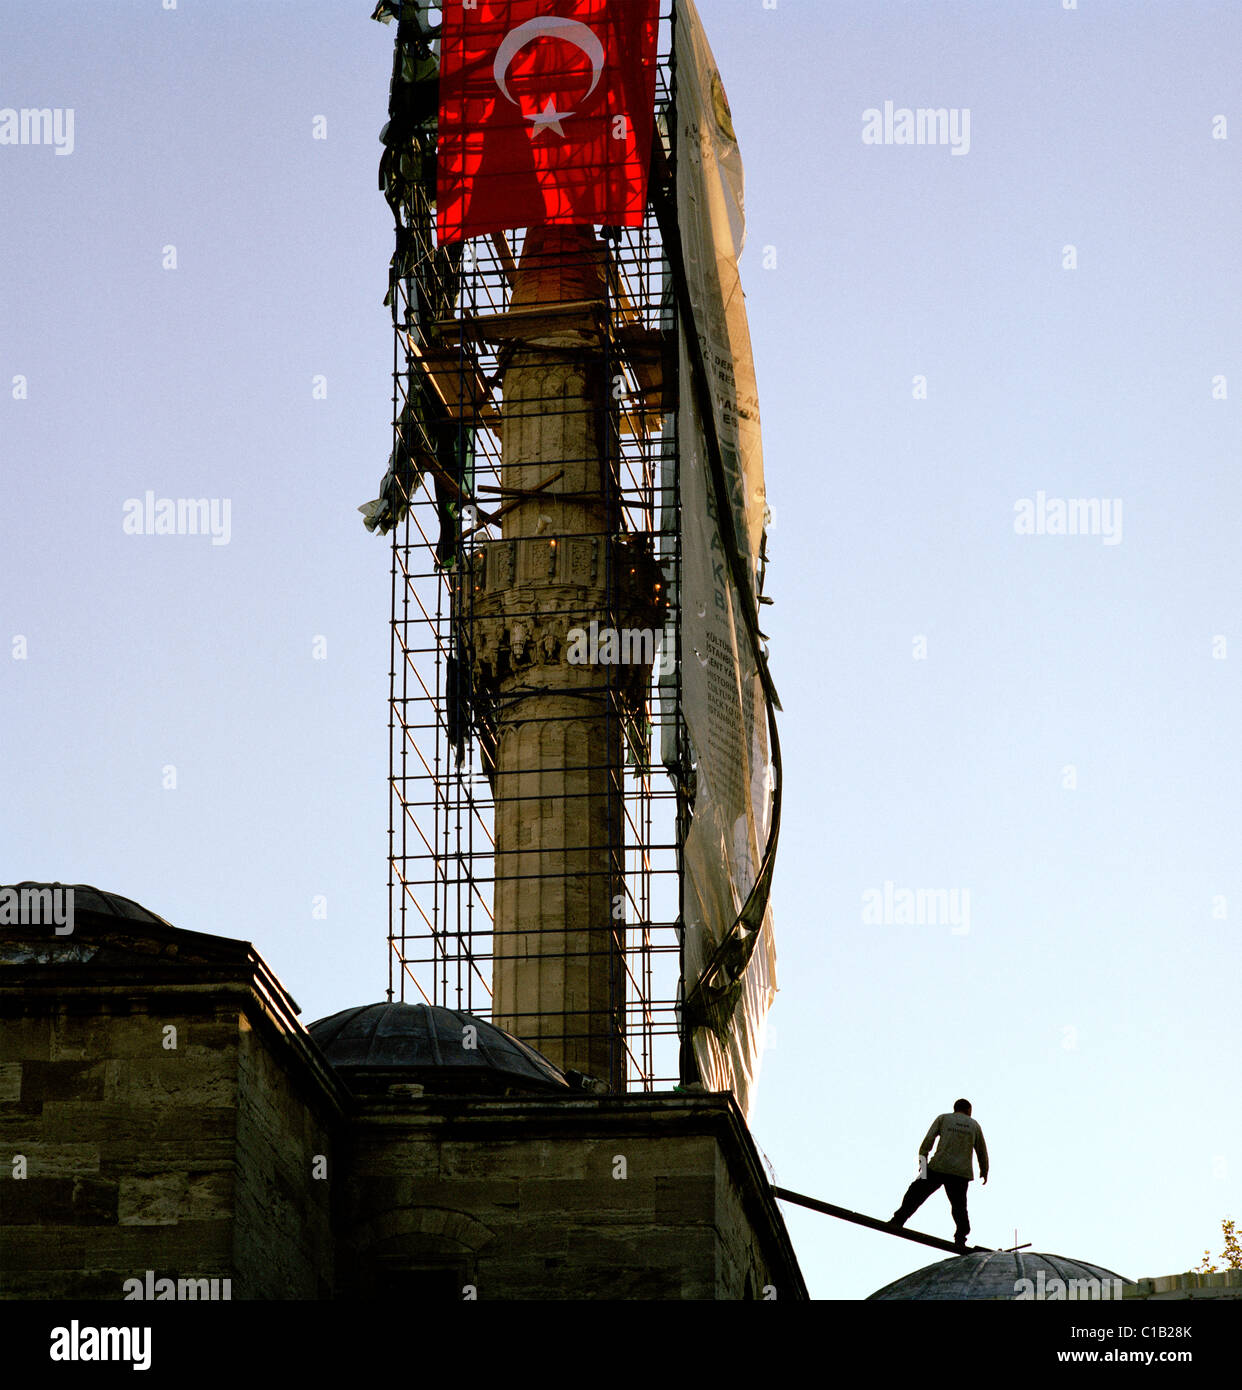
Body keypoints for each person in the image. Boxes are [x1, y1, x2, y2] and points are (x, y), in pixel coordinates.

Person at [890, 1098, 988, 1250]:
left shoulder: (944, 1118)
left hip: (937, 1167)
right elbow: (982, 1150)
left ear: (955, 1108)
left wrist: (923, 1165)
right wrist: (984, 1170)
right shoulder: (974, 1125)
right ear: (969, 1110)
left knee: (915, 1193)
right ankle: (961, 1237)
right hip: (961, 1174)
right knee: (959, 1207)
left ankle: (898, 1220)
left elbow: (928, 1141)